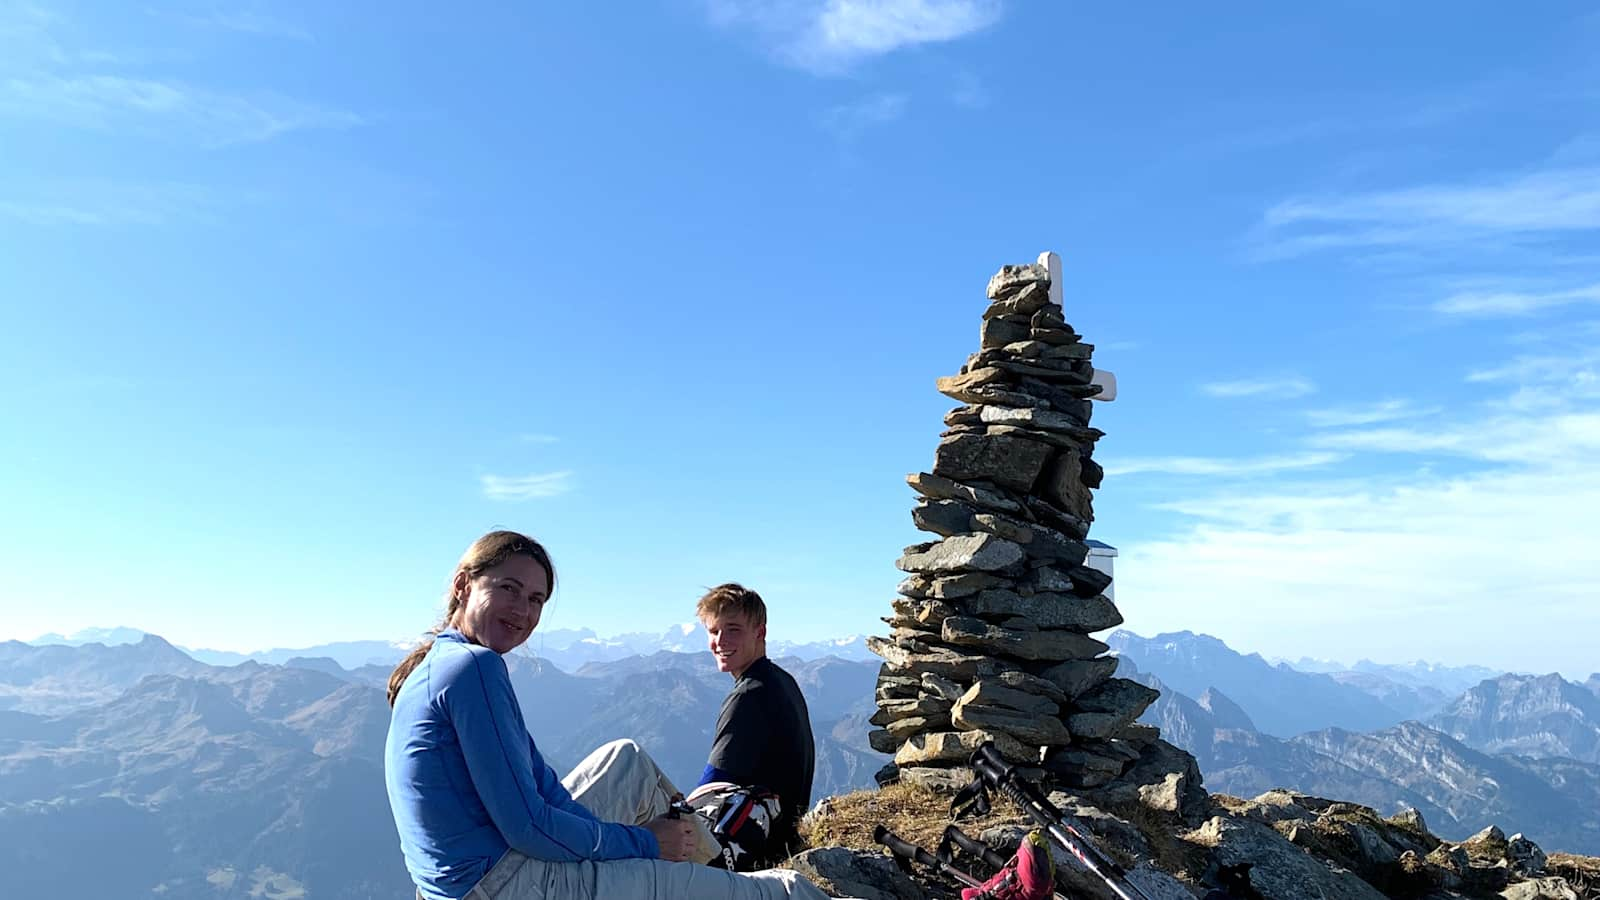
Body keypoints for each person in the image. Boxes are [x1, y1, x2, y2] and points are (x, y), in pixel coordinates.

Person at [383, 531, 846, 900]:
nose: (524, 610)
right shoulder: (476, 669)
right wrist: (645, 844)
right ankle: (716, 873)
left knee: (625, 758)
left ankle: (702, 861)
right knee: (784, 891)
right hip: (507, 882)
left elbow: (541, 789)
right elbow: (529, 827)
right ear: (465, 585)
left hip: (473, 876)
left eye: (537, 599)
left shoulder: (440, 664)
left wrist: (627, 839)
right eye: (509, 589)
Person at [694, 583, 816, 867]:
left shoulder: (749, 695)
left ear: (760, 632)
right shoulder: (781, 680)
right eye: (714, 631)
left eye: (733, 629)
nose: (721, 641)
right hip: (780, 834)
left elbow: (710, 788)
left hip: (750, 844)